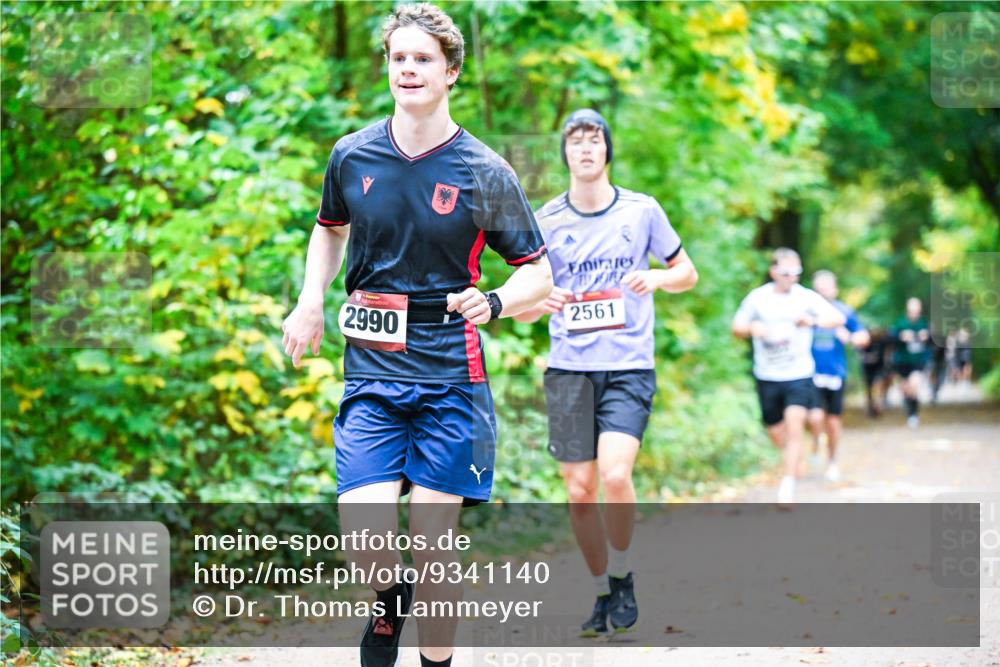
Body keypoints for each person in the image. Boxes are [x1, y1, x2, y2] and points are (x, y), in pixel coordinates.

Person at [281, 5, 552, 666]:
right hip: (372, 375)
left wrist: (493, 300)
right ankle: (388, 598)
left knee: (434, 548)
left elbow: (538, 274)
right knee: (363, 538)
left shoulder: (485, 173)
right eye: (398, 57)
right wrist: (309, 298)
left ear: (451, 71)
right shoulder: (352, 154)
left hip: (449, 381)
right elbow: (329, 226)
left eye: (423, 58)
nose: (408, 68)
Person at [515, 109, 698, 636]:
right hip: (569, 370)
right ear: (565, 154)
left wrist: (657, 281)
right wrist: (540, 300)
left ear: (607, 150)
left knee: (615, 475)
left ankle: (623, 574)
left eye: (594, 140)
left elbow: (687, 271)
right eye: (576, 141)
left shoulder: (641, 212)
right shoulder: (546, 220)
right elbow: (523, 306)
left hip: (627, 366)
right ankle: (600, 590)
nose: (586, 149)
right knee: (578, 490)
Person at [732, 248, 845, 506]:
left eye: (796, 273)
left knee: (795, 426)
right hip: (767, 375)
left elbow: (837, 317)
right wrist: (752, 328)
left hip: (799, 373)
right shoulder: (757, 298)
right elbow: (736, 327)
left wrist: (812, 320)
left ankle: (787, 486)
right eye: (785, 272)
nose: (791, 277)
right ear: (773, 271)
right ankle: (792, 460)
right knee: (775, 431)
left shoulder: (806, 297)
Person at [806, 270, 869, 483]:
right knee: (814, 418)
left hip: (835, 374)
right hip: (809, 373)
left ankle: (832, 462)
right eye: (819, 289)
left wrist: (850, 337)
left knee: (833, 422)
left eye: (826, 288)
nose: (823, 292)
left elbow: (863, 337)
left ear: (835, 289)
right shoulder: (807, 311)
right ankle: (815, 440)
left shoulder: (844, 312)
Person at [891, 297, 930, 428]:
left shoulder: (923, 323)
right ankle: (909, 411)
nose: (914, 313)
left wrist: (927, 336)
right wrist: (901, 336)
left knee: (915, 385)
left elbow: (933, 341)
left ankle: (914, 414)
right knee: (906, 389)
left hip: (918, 361)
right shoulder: (900, 323)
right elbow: (891, 338)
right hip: (902, 362)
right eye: (912, 310)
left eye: (917, 311)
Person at [859, 326, 891, 418]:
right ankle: (871, 408)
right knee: (869, 391)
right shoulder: (863, 341)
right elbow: (861, 355)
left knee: (878, 386)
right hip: (867, 369)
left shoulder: (883, 341)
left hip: (879, 368)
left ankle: (878, 405)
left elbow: (888, 351)